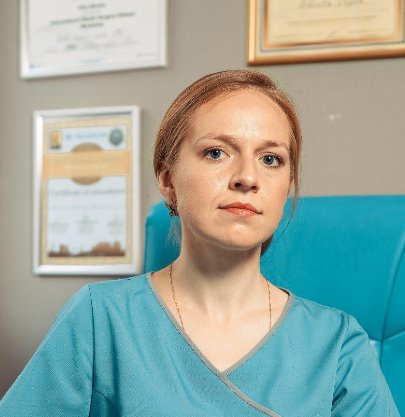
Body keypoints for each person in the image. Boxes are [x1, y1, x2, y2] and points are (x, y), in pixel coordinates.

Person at [0, 70, 400, 417]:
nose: (247, 177)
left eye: (271, 159)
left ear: (287, 185)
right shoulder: (99, 318)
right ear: (167, 179)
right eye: (216, 152)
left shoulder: (337, 343)